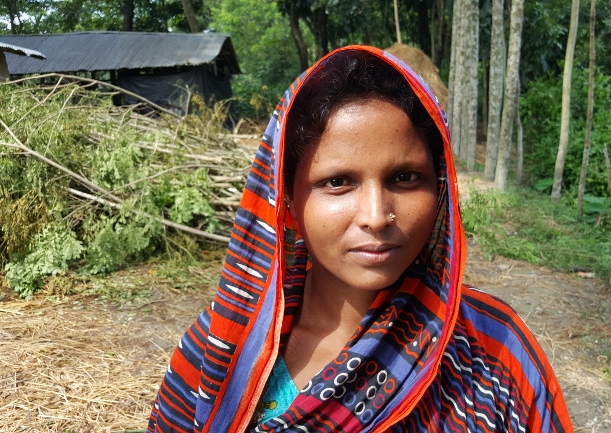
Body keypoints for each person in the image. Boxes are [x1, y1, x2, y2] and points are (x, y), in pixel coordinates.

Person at [147, 45, 573, 433]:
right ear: (288, 204)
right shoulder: (220, 344)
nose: (376, 216)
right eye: (337, 182)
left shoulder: (492, 348)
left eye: (405, 178)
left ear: (439, 188)